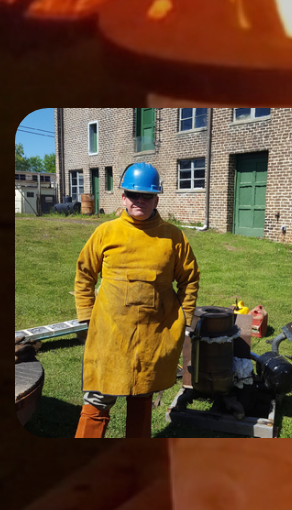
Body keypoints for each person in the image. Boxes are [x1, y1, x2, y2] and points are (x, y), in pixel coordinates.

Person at [72, 162, 201, 438]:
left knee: (142, 394)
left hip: (153, 334)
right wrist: (86, 314)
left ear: (157, 199)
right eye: (133, 194)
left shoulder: (174, 237)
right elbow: (84, 273)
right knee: (97, 397)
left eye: (146, 195)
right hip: (110, 333)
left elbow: (189, 279)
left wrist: (184, 317)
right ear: (123, 198)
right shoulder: (106, 232)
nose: (139, 200)